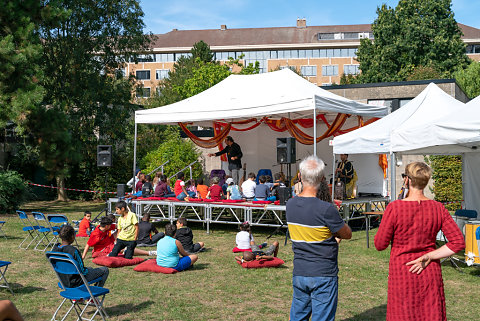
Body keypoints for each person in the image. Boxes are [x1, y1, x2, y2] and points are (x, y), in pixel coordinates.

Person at [374, 162, 465, 321]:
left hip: (402, 272)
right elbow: (458, 242)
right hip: (429, 271)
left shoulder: (395, 208)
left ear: (407, 180)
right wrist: (430, 255)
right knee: (430, 315)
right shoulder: (438, 208)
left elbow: (380, 244)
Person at [286, 155, 352, 321]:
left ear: (299, 176)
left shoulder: (290, 204)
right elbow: (347, 234)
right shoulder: (327, 209)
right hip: (323, 272)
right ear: (323, 179)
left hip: (300, 271)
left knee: (298, 316)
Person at [82, 216, 156, 259]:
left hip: (109, 241)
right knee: (124, 248)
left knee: (121, 233)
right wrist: (83, 256)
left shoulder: (104, 227)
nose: (112, 226)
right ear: (107, 226)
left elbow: (118, 226)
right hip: (104, 248)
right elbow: (88, 244)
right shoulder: (96, 234)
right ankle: (149, 253)